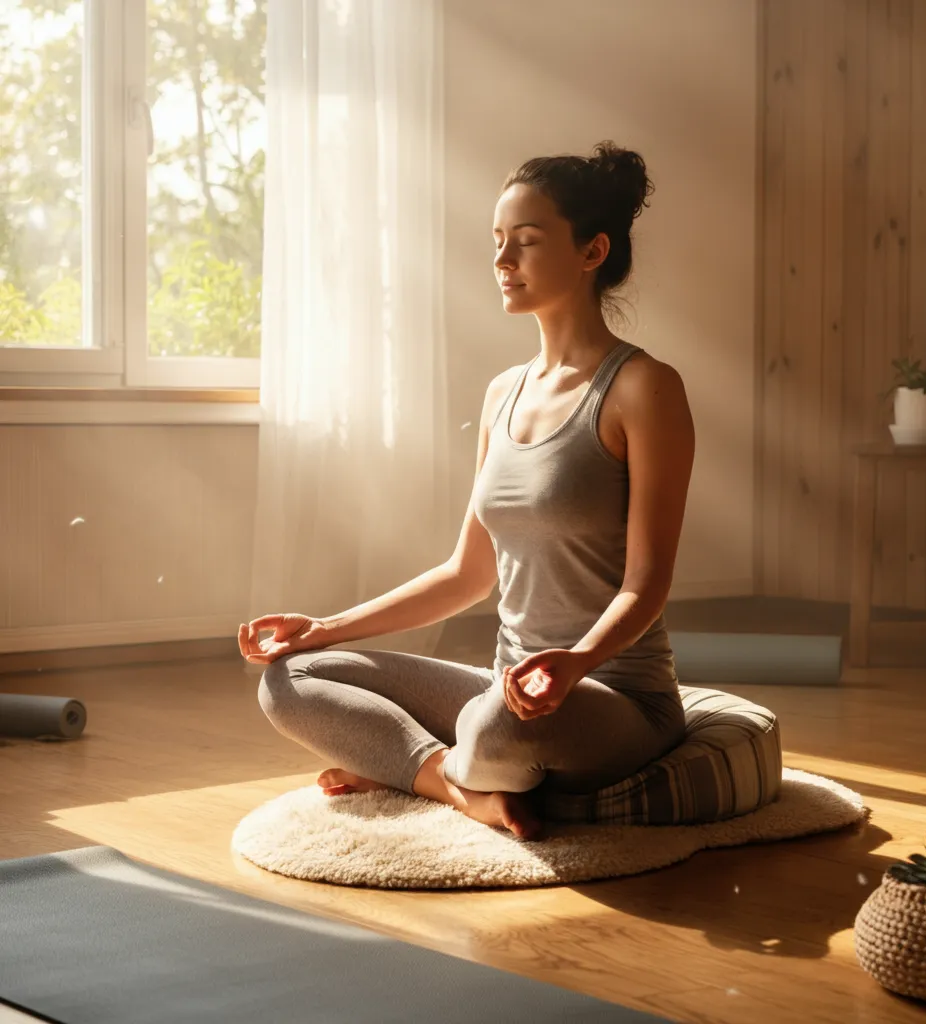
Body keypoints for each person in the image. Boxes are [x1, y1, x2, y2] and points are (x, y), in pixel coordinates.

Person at [240, 141, 696, 842]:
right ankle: (457, 787)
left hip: (613, 698)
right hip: (505, 687)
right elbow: (467, 575)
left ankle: (416, 767)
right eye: (498, 242)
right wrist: (324, 627)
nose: (502, 261)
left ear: (592, 251)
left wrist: (575, 663)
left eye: (527, 241)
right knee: (290, 678)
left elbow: (647, 584)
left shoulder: (643, 388)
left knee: (495, 725)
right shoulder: (502, 393)